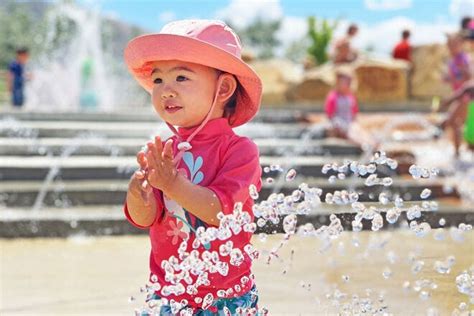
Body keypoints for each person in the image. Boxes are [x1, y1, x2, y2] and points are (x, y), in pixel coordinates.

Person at [123, 20, 263, 314]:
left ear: (223, 87)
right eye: (158, 80)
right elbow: (146, 219)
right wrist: (139, 195)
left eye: (181, 78)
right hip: (170, 294)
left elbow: (223, 214)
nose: (165, 90)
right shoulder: (165, 150)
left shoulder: (239, 150)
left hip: (224, 298)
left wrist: (172, 184)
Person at [439, 80, 474, 157]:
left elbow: (451, 120)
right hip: (469, 134)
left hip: (469, 135)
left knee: (453, 124)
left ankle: (457, 152)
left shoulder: (463, 100)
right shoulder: (468, 92)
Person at [325, 67, 359, 138]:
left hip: (350, 122)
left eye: (349, 82)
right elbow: (329, 114)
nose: (348, 84)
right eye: (345, 82)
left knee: (357, 130)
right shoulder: (333, 96)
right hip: (339, 123)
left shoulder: (351, 96)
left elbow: (354, 112)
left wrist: (354, 122)